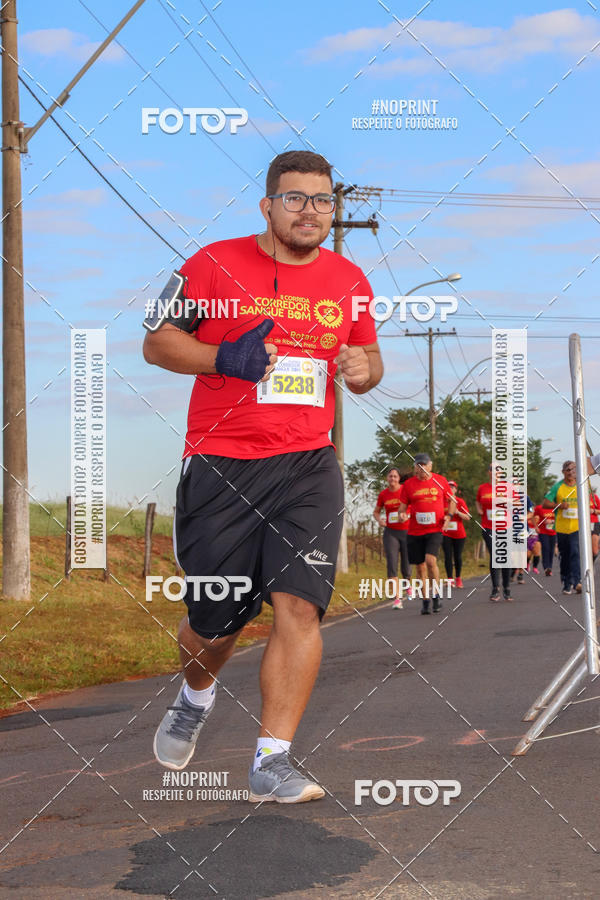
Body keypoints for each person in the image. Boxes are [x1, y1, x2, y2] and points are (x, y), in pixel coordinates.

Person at [142, 150, 383, 802]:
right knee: (214, 625)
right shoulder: (211, 265)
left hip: (308, 463)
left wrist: (365, 371)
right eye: (295, 197)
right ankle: (195, 694)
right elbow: (156, 342)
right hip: (222, 464)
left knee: (299, 605)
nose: (310, 210)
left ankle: (271, 760)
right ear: (267, 205)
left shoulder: (349, 278)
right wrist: (226, 354)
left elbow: (368, 357)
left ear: (335, 208)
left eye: (322, 200)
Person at [397, 453, 455, 614]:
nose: (421, 468)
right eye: (418, 465)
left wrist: (449, 517)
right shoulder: (408, 485)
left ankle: (436, 595)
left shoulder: (441, 481)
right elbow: (402, 508)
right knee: (420, 567)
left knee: (430, 561)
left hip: (435, 529)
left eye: (424, 465)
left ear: (430, 465)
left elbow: (452, 502)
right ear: (415, 467)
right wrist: (402, 515)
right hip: (415, 531)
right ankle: (425, 600)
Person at [373, 469, 411, 609]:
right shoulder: (383, 494)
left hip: (406, 531)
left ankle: (407, 582)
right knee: (391, 563)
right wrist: (379, 520)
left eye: (395, 476)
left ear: (399, 478)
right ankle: (397, 598)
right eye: (390, 476)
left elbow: (413, 507)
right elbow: (376, 512)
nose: (393, 478)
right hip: (391, 532)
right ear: (387, 478)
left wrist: (406, 515)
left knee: (406, 563)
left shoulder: (405, 491)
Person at [476, 464, 513, 602]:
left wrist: (505, 500)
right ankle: (495, 588)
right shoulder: (482, 488)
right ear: (488, 472)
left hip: (505, 526)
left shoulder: (508, 487)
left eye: (498, 469)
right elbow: (478, 501)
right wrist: (479, 509)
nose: (495, 472)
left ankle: (507, 587)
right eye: (492, 469)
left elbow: (516, 502)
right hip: (488, 525)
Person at [544, 460, 580, 595]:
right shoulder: (558, 487)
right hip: (562, 527)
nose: (571, 472)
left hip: (577, 527)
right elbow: (545, 503)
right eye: (568, 470)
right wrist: (558, 505)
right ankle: (566, 582)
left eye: (573, 469)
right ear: (563, 472)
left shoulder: (581, 485)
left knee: (576, 552)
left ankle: (577, 582)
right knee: (565, 555)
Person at [442, 480, 470, 588]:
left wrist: (457, 512)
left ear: (456, 490)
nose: (450, 489)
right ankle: (450, 579)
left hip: (459, 534)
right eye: (448, 487)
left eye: (452, 487)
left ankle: (458, 578)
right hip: (445, 533)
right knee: (448, 556)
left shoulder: (460, 501)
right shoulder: (442, 501)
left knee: (457, 556)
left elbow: (467, 517)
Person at [533, 501, 556, 576]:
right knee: (545, 548)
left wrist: (552, 521)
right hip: (543, 532)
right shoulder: (539, 507)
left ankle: (550, 568)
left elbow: (559, 518)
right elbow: (532, 516)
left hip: (553, 532)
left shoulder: (555, 507)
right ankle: (546, 567)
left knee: (551, 550)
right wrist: (536, 527)